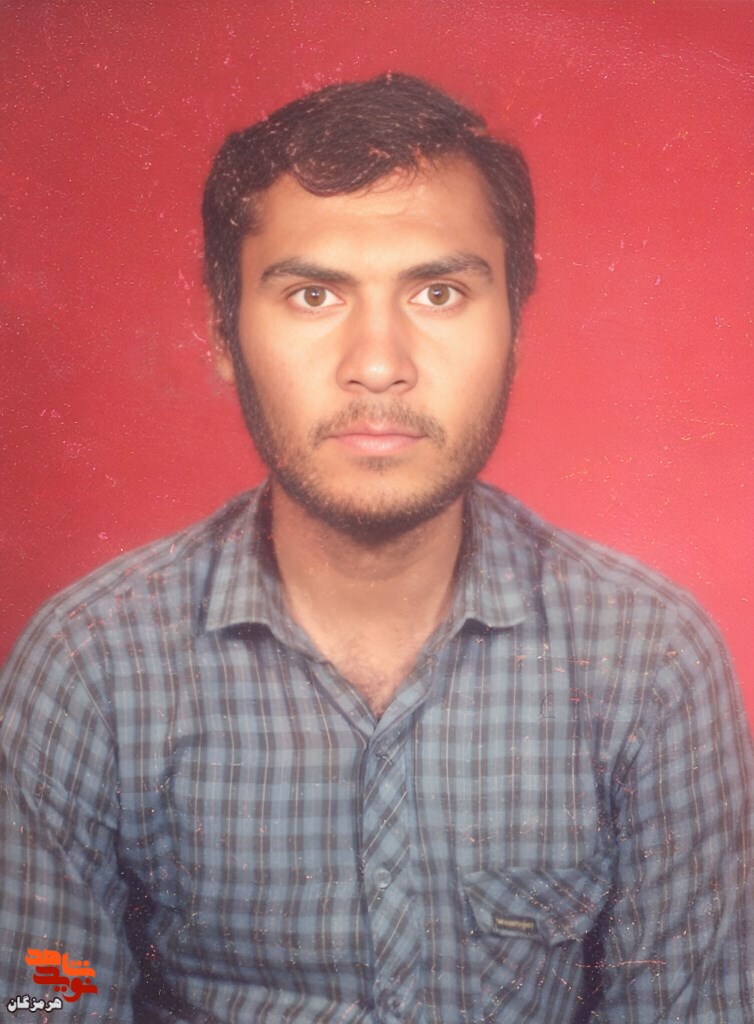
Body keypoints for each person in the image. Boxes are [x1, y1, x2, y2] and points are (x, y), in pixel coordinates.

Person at [0, 73, 751, 1024]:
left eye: (438, 292)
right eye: (314, 294)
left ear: (515, 327)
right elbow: (44, 1000)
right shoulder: (90, 664)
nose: (379, 364)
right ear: (224, 332)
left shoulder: (651, 659)